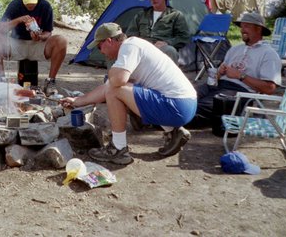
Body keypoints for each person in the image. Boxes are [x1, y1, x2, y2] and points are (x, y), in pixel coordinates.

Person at [61, 23, 197, 165]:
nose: (101, 52)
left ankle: (118, 149)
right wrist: (77, 101)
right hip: (186, 103)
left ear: (109, 41)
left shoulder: (129, 47)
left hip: (176, 106)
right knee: (115, 86)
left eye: (99, 47)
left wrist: (111, 72)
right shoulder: (135, 45)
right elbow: (108, 86)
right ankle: (174, 131)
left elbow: (116, 83)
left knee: (115, 89)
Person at [192, 12, 281, 125]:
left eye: (246, 26)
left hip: (239, 92)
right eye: (242, 26)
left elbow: (269, 89)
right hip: (216, 86)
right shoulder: (235, 49)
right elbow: (217, 77)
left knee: (198, 108)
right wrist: (219, 73)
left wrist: (240, 75)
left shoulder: (268, 54)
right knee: (184, 97)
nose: (242, 30)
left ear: (258, 29)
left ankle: (170, 122)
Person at [0, 0, 67, 95]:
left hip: (37, 45)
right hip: (16, 44)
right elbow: (1, 29)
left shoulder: (45, 6)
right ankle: (0, 79)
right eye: (27, 2)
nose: (30, 5)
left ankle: (50, 81)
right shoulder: (15, 5)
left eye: (33, 2)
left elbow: (48, 32)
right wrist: (19, 20)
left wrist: (40, 36)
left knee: (61, 40)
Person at [125, 0, 190, 64]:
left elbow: (184, 37)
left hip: (162, 47)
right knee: (116, 46)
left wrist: (167, 42)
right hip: (142, 46)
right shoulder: (141, 15)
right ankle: (115, 76)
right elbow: (131, 34)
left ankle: (169, 77)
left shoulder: (175, 15)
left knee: (170, 50)